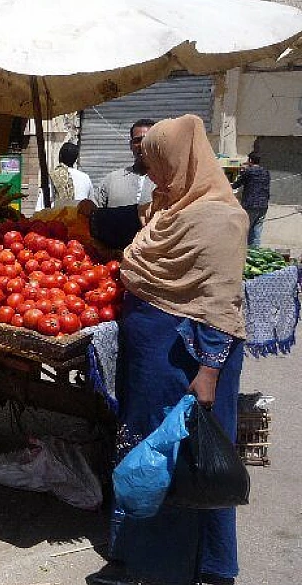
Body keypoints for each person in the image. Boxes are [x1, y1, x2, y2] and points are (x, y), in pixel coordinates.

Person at [100, 114, 248, 585]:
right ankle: (148, 559)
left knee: (186, 460)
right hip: (153, 357)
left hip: (186, 358)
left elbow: (222, 303)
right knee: (151, 453)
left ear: (180, 158)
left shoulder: (220, 218)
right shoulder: (170, 207)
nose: (148, 166)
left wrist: (208, 371)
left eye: (155, 156)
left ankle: (183, 567)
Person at [79, 119, 156, 249]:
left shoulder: (168, 182)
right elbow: (91, 213)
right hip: (113, 261)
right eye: (137, 140)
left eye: (147, 140)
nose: (142, 144)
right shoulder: (111, 180)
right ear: (131, 145)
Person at [35, 142, 93, 212]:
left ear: (60, 156)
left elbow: (41, 205)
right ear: (76, 159)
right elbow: (91, 204)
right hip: (80, 220)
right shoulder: (86, 178)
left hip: (60, 220)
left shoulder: (53, 176)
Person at [232, 151, 271, 247]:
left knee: (246, 228)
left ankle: (245, 252)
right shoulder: (266, 172)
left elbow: (236, 185)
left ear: (250, 160)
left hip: (250, 204)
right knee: (257, 230)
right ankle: (255, 251)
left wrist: (242, 171)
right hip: (263, 205)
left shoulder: (248, 172)